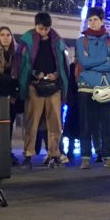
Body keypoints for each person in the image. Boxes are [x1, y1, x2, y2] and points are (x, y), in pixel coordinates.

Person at [18, 12, 70, 169]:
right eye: (41, 29)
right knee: (31, 121)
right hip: (34, 85)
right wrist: (35, 74)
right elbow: (23, 64)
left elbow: (62, 64)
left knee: (55, 121)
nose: (44, 32)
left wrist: (56, 74)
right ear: (35, 26)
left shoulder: (57, 40)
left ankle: (54, 153)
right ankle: (28, 154)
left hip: (54, 87)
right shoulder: (27, 40)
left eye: (47, 29)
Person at [75, 6, 110, 169]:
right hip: (86, 88)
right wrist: (103, 62)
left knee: (108, 124)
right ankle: (85, 157)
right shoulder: (81, 41)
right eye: (90, 20)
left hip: (105, 87)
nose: (92, 23)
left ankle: (108, 156)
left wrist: (92, 66)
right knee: (86, 124)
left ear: (102, 21)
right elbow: (83, 63)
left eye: (95, 19)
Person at [0, 26, 23, 165]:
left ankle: (8, 151)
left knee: (9, 124)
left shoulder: (16, 55)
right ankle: (0, 152)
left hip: (12, 95)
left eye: (8, 35)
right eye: (2, 34)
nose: (5, 37)